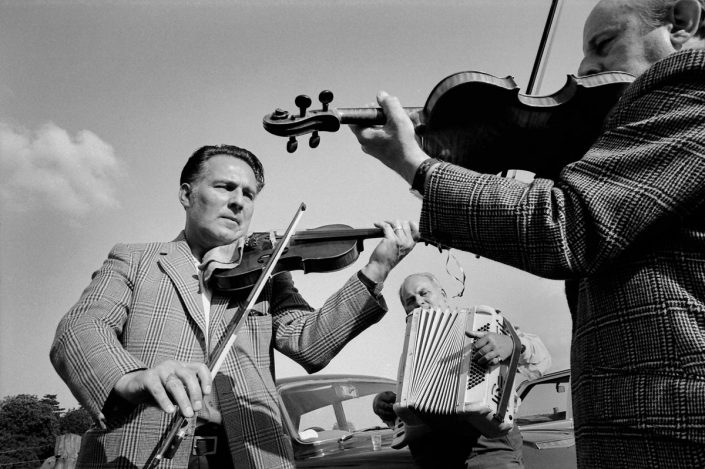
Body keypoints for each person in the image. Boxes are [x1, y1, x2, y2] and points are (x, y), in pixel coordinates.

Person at [351, 0, 705, 467]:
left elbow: (568, 224)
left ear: (682, 21)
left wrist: (417, 167)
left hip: (672, 424)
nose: (586, 67)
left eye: (604, 44)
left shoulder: (690, 87)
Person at [50, 144, 419, 469]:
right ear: (186, 194)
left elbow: (310, 343)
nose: (239, 201)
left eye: (249, 193)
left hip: (247, 454)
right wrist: (133, 378)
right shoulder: (137, 260)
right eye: (225, 187)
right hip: (138, 450)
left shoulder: (269, 274)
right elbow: (80, 328)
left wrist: (376, 270)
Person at [373, 272, 551, 469]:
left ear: (442, 294)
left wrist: (512, 345)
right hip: (433, 457)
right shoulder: (411, 351)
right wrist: (387, 409)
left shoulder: (482, 323)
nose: (419, 302)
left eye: (424, 293)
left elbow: (542, 359)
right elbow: (414, 408)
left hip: (487, 451)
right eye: (410, 300)